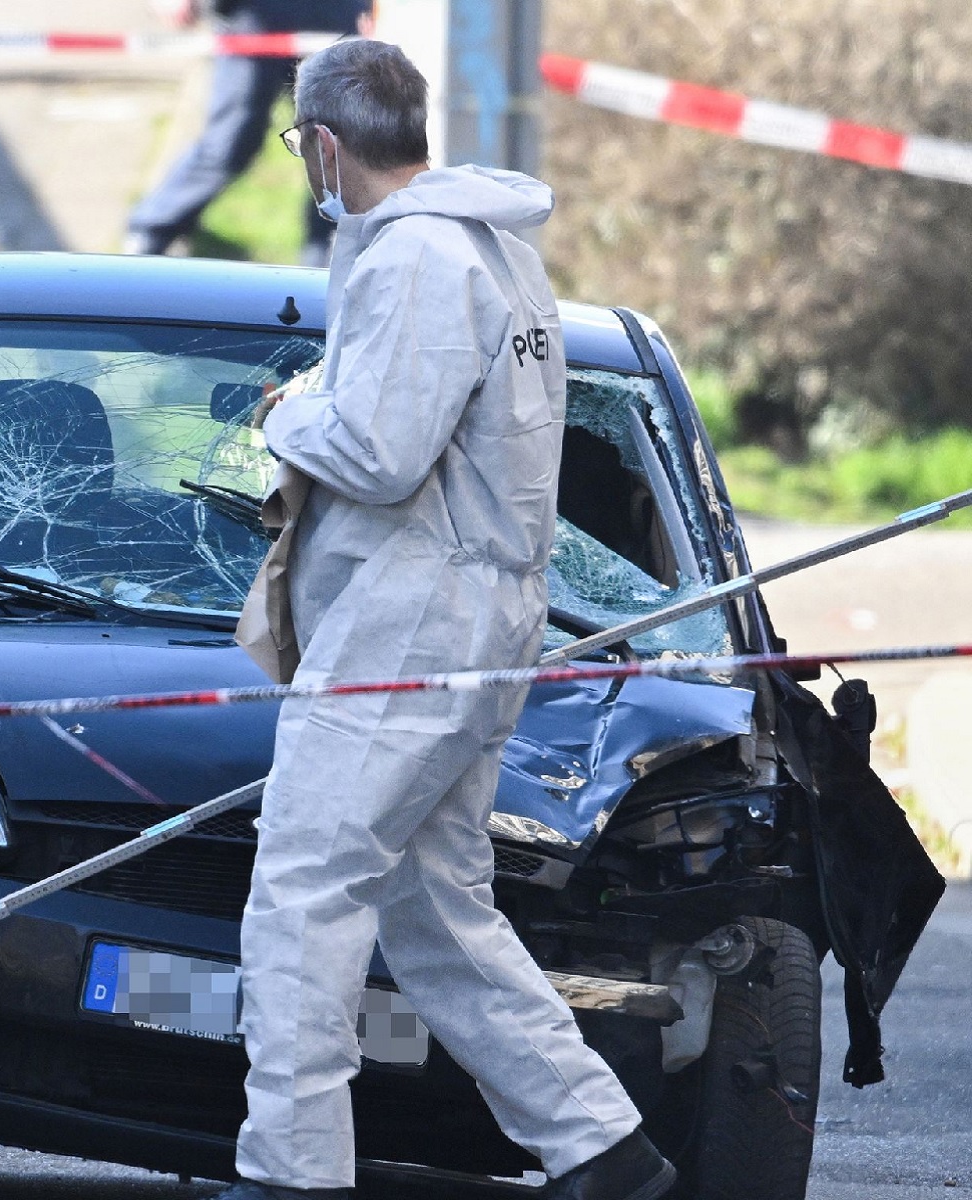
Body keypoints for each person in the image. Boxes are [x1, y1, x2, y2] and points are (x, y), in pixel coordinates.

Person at [227, 40, 677, 1200]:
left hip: (406, 627)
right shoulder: (499, 253)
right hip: (475, 622)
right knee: (433, 910)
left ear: (323, 146)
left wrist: (287, 414)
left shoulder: (417, 260)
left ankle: (289, 1175)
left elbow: (377, 455)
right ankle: (601, 1147)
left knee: (301, 893)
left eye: (298, 151)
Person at [125, 0, 369, 265]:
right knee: (231, 141)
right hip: (252, 13)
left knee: (338, 148)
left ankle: (328, 267)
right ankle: (149, 234)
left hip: (332, 13)